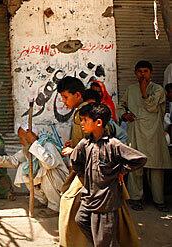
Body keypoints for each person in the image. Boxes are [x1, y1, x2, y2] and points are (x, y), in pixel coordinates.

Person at [71, 103, 147, 247]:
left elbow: (139, 159)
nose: (81, 123)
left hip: (106, 201)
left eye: (85, 120)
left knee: (103, 239)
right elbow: (75, 161)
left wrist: (121, 170)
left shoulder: (113, 144)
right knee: (80, 220)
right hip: (89, 197)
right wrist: (84, 176)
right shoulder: (84, 144)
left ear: (98, 122)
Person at [118, 60, 171, 212]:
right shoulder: (130, 89)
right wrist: (124, 114)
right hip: (135, 131)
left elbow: (151, 106)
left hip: (153, 133)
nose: (142, 74)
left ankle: (159, 200)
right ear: (135, 73)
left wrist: (143, 89)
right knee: (135, 167)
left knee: (156, 169)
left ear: (151, 73)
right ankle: (136, 198)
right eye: (140, 71)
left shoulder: (158, 90)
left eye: (145, 71)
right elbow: (120, 106)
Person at [0, 119, 68, 217]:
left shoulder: (47, 144)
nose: (20, 141)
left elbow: (49, 163)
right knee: (23, 168)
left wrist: (34, 142)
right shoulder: (28, 148)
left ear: (30, 137)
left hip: (59, 180)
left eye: (22, 138)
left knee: (46, 170)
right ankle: (42, 200)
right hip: (48, 177)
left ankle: (55, 206)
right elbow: (15, 160)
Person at [57, 76, 90, 247]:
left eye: (65, 97)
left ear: (77, 95)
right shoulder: (81, 111)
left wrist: (74, 149)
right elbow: (83, 138)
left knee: (69, 203)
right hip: (82, 167)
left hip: (87, 169)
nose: (63, 102)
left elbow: (94, 141)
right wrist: (74, 142)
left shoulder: (84, 112)